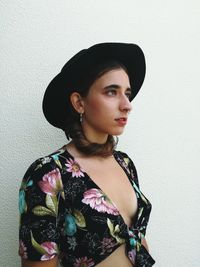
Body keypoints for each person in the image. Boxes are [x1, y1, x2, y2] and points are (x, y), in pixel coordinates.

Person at [18, 42, 155, 267]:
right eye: (112, 92)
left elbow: (136, 242)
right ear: (79, 102)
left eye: (127, 94)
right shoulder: (49, 174)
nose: (127, 105)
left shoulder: (124, 163)